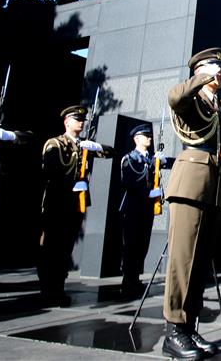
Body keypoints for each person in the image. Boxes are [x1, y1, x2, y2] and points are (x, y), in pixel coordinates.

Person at [163, 47, 221, 360]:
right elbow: (174, 98)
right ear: (200, 71)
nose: (220, 73)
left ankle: (189, 325)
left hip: (213, 186)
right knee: (183, 260)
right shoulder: (191, 99)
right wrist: (200, 77)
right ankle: (173, 331)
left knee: (200, 262)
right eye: (214, 67)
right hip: (190, 182)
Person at [38, 105, 112, 306]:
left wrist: (94, 147)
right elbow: (51, 169)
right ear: (66, 122)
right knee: (51, 246)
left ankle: (58, 288)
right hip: (57, 203)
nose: (81, 122)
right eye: (76, 119)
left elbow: (110, 152)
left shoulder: (84, 145)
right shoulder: (55, 144)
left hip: (75, 205)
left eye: (82, 119)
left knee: (66, 246)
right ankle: (47, 289)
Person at [118, 124, 171, 298]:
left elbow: (169, 162)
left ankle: (136, 278)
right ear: (136, 139)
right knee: (131, 245)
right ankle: (128, 280)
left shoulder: (150, 158)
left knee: (142, 245)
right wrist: (150, 191)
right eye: (145, 135)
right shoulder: (130, 158)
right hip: (132, 207)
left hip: (146, 208)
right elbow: (130, 182)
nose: (149, 138)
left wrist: (162, 161)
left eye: (150, 135)